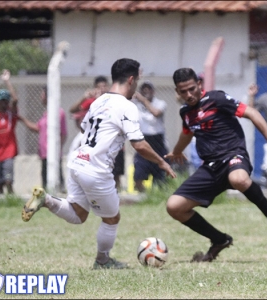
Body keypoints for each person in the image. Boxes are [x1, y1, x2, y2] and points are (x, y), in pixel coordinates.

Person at [21, 58, 176, 270]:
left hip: (77, 162)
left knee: (78, 216)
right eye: (137, 81)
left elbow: (85, 128)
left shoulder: (98, 101)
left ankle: (46, 199)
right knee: (112, 218)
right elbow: (139, 145)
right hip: (96, 169)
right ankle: (102, 260)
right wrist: (161, 162)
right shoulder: (126, 106)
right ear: (131, 79)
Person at [165, 68, 267, 263]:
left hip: (234, 155)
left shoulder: (217, 98)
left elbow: (251, 112)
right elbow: (187, 133)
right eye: (183, 91)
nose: (188, 95)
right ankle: (219, 239)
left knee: (239, 179)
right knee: (174, 207)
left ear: (199, 84)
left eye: (192, 89)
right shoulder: (186, 112)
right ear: (177, 91)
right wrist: (176, 151)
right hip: (210, 167)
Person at [69, 76, 125, 191]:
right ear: (95, 88)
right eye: (99, 87)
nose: (102, 89)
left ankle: (117, 196)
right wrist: (84, 97)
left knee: (116, 173)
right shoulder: (92, 102)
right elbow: (73, 109)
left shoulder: (114, 100)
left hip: (113, 142)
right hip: (97, 144)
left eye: (104, 86)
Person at [18, 86, 68, 191]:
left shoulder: (59, 112)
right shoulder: (46, 114)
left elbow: (63, 133)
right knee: (44, 175)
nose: (41, 97)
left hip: (53, 151)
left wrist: (58, 147)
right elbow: (37, 128)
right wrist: (22, 119)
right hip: (44, 152)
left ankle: (59, 192)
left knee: (56, 174)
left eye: (43, 95)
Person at [132, 81, 169, 192]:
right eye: (144, 89)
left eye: (149, 89)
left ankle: (155, 196)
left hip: (157, 141)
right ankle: (144, 195)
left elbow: (156, 113)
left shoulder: (160, 103)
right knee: (138, 176)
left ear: (153, 91)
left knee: (160, 178)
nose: (146, 91)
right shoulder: (136, 105)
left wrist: (143, 100)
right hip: (143, 140)